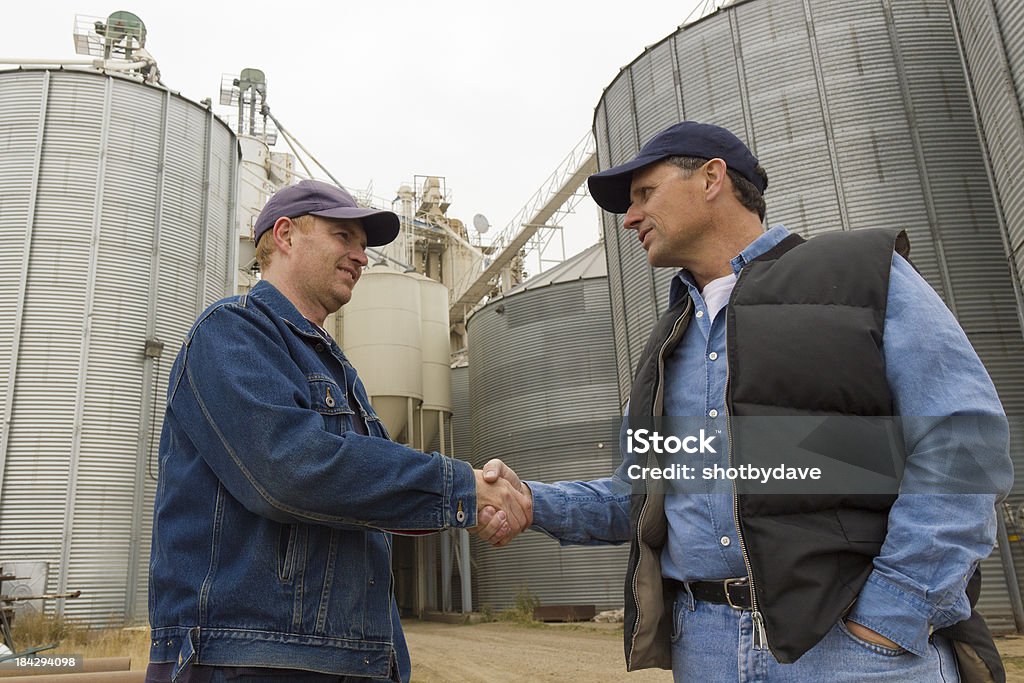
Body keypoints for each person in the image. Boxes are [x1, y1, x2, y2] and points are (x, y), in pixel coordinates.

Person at [478, 121, 1012, 682]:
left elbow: (963, 442)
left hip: (844, 649)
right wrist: (532, 502)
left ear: (712, 178)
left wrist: (892, 614)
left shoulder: (859, 275)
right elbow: (645, 496)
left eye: (644, 193)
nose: (629, 217)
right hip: (704, 647)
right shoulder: (669, 342)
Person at [146, 179, 531, 683]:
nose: (361, 256)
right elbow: (290, 470)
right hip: (251, 658)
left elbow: (363, 494)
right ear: (285, 235)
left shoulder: (338, 372)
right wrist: (464, 487)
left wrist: (469, 509)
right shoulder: (230, 332)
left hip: (345, 656)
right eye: (343, 237)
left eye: (363, 245)